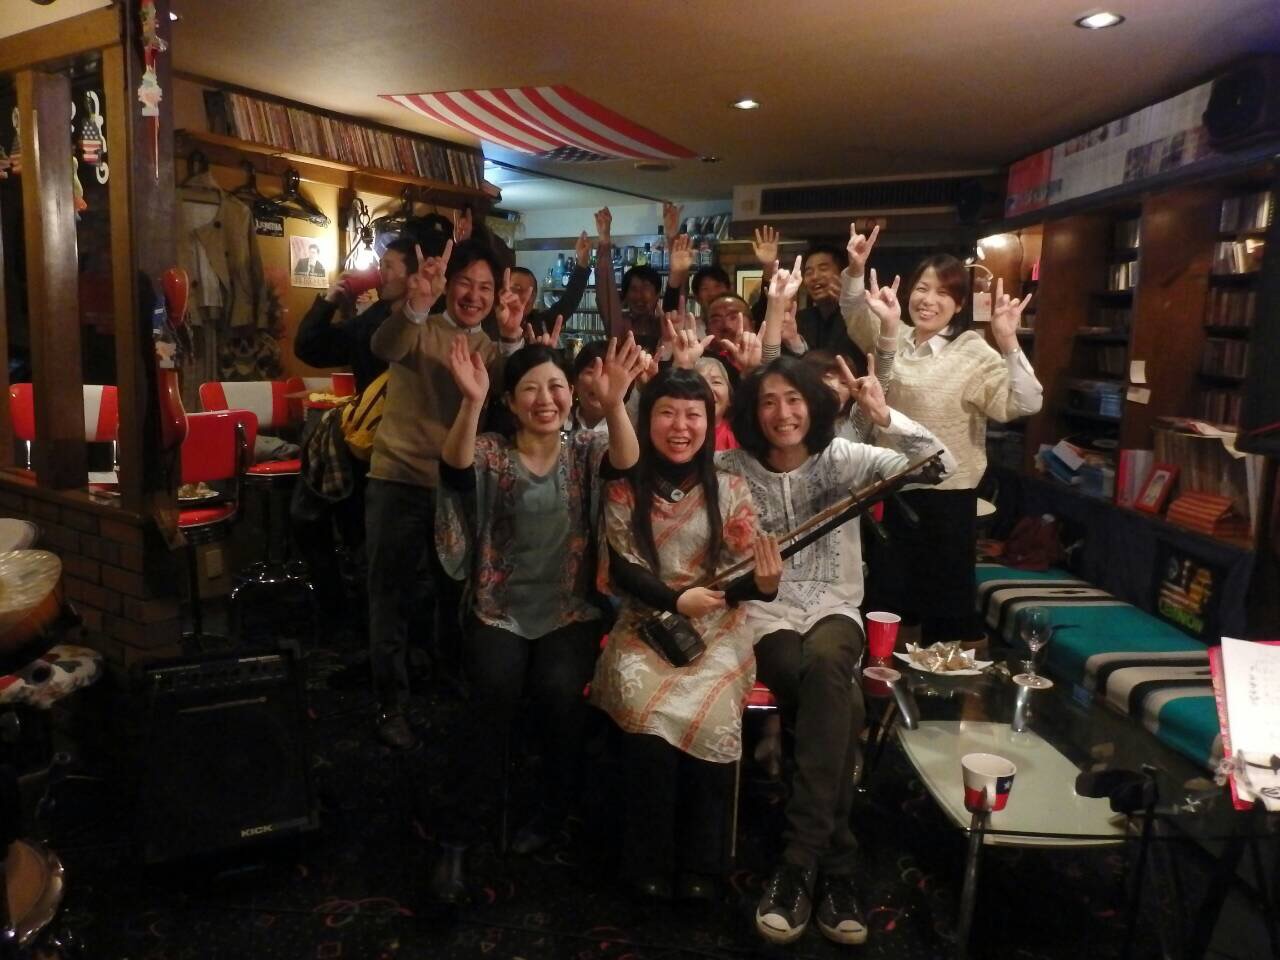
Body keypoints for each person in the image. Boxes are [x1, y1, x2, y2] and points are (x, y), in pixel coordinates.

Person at [719, 257, 955, 947]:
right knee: (838, 698)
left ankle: (797, 864)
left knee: (828, 665)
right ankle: (839, 865)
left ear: (815, 406)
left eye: (795, 400)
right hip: (765, 614)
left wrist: (884, 417)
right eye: (769, 402)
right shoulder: (730, 469)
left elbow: (937, 464)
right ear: (753, 412)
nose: (783, 413)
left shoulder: (847, 459)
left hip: (833, 611)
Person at [433, 334, 648, 895]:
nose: (545, 399)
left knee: (561, 694)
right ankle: (457, 835)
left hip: (568, 609)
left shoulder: (585, 450)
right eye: (530, 389)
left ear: (572, 395)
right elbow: (454, 471)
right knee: (491, 693)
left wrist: (617, 403)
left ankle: (553, 809)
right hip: (498, 608)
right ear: (510, 401)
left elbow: (627, 465)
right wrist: (470, 402)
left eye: (556, 387)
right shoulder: (490, 451)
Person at [590, 367, 782, 902]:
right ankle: (646, 857)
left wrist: (765, 585)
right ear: (646, 419)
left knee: (714, 711)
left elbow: (745, 579)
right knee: (645, 710)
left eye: (693, 414)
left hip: (719, 627)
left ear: (709, 420)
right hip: (644, 621)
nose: (680, 426)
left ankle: (703, 862)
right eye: (667, 413)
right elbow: (623, 567)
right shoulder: (625, 484)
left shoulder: (731, 486)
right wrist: (675, 599)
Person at [839, 222, 1041, 644]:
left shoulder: (972, 351)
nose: (928, 300)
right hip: (891, 487)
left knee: (945, 608)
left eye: (943, 293)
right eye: (922, 288)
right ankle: (886, 675)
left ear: (959, 303)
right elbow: (855, 311)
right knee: (888, 600)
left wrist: (1008, 341)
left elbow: (1024, 404)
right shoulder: (892, 333)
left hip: (948, 496)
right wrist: (856, 268)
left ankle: (944, 678)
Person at [364, 239, 524, 750]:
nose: (474, 296)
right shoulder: (420, 326)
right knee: (390, 593)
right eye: (465, 284)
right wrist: (415, 303)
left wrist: (514, 336)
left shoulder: (490, 348)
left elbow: (513, 396)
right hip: (399, 478)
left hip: (456, 486)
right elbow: (384, 347)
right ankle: (391, 702)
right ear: (447, 284)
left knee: (453, 591)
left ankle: (446, 674)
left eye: (486, 288)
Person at [290, 236, 419, 632]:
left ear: (416, 276)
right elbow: (311, 347)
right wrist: (330, 299)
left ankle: (367, 629)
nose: (381, 272)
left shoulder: (432, 321)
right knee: (317, 523)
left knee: (375, 546)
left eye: (390, 265)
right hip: (361, 445)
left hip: (403, 451)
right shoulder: (373, 317)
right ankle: (342, 618)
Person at [498, 230, 592, 339]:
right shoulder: (488, 326)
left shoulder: (541, 323)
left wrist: (582, 262)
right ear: (501, 291)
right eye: (516, 289)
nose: (524, 296)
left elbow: (569, 301)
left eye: (530, 292)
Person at [594, 207, 663, 351]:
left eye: (645, 288)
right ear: (624, 296)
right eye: (633, 289)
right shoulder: (620, 325)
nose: (639, 295)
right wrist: (604, 240)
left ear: (657, 295)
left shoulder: (664, 325)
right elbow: (605, 295)